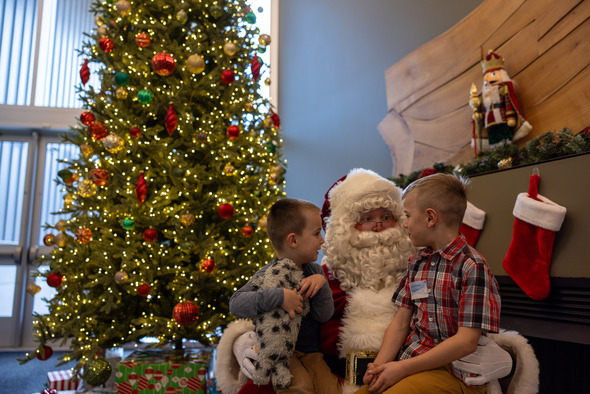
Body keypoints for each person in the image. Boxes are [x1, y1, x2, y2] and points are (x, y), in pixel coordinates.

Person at [357, 173, 502, 394]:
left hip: (455, 372)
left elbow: (466, 342)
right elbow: (400, 322)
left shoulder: (472, 267)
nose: (404, 224)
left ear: (430, 218)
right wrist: (379, 366)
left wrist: (402, 368)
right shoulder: (417, 262)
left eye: (407, 215)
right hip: (412, 363)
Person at [227, 198, 341, 394]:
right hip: (282, 354)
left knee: (330, 388)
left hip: (312, 353)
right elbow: (236, 303)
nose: (322, 240)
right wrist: (279, 296)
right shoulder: (266, 275)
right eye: (316, 233)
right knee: (299, 386)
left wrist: (321, 284)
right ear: (293, 240)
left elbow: (324, 315)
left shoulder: (314, 272)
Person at [319, 168, 416, 393]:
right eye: (368, 219)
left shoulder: (414, 264)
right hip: (335, 370)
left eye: (386, 217)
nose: (379, 226)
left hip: (400, 367)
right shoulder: (328, 271)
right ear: (349, 225)